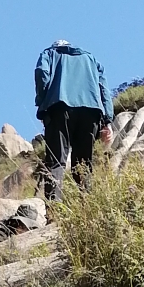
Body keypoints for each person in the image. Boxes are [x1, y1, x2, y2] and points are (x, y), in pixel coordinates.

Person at [34, 39, 114, 199]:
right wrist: (107, 121)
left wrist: (42, 103)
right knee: (83, 164)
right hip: (91, 111)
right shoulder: (90, 58)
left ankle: (54, 209)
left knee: (56, 160)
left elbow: (42, 74)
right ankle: (87, 205)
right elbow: (103, 87)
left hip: (59, 107)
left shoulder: (49, 53)